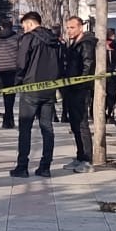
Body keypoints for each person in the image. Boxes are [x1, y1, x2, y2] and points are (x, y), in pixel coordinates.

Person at [9, 10, 62, 178]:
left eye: (24, 26)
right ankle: (45, 166)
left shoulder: (28, 38)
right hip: (49, 89)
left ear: (30, 23)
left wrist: (17, 81)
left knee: (25, 128)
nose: (23, 29)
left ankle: (22, 166)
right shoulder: (54, 40)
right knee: (47, 128)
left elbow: (21, 62)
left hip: (31, 89)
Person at [57, 16, 93, 165]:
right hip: (71, 90)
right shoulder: (73, 44)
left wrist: (79, 84)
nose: (69, 31)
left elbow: (88, 67)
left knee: (81, 124)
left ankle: (86, 158)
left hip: (80, 90)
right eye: (68, 28)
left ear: (80, 27)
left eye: (72, 28)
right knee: (75, 124)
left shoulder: (86, 44)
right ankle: (80, 155)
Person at [0, 25, 23, 126]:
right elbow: (21, 55)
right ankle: (9, 120)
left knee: (2, 94)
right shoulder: (17, 38)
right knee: (10, 97)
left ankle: (7, 120)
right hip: (13, 71)